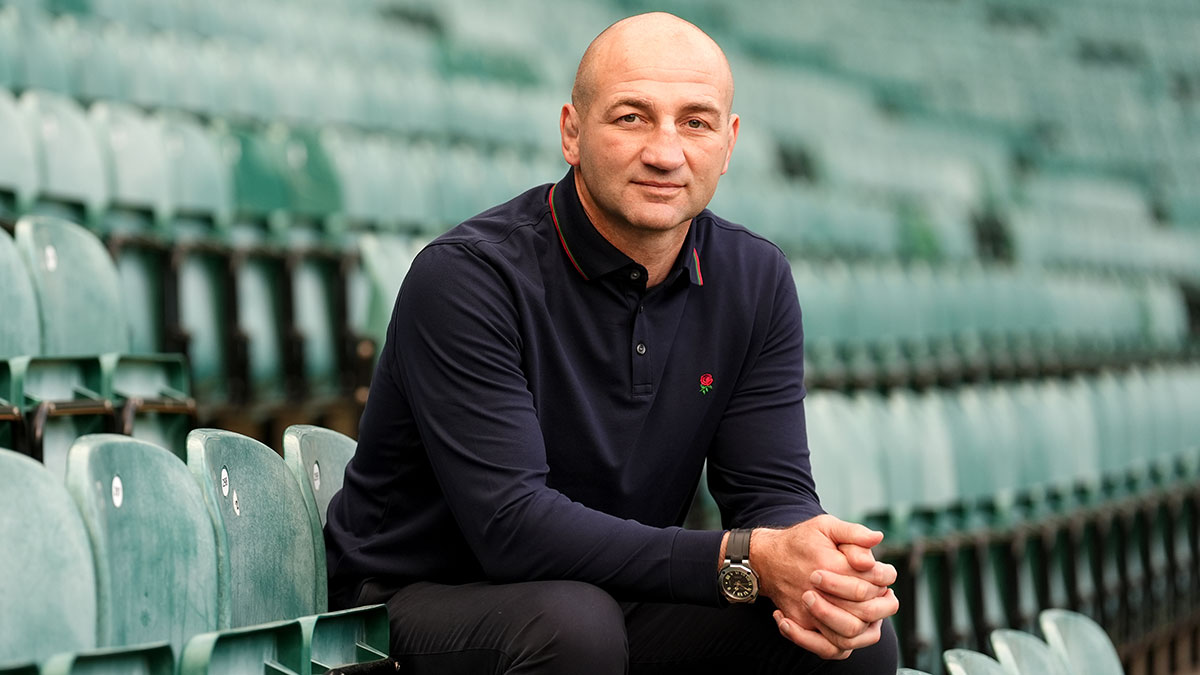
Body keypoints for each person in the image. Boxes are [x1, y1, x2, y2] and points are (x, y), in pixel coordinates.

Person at [324, 11, 899, 674]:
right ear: (572, 133)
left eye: (696, 121)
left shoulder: (754, 277)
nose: (665, 151)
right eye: (631, 117)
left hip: (608, 594)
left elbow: (770, 491)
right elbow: (511, 529)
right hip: (411, 604)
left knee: (844, 636)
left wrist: (814, 560)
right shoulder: (466, 277)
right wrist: (741, 559)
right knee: (573, 628)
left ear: (729, 143)